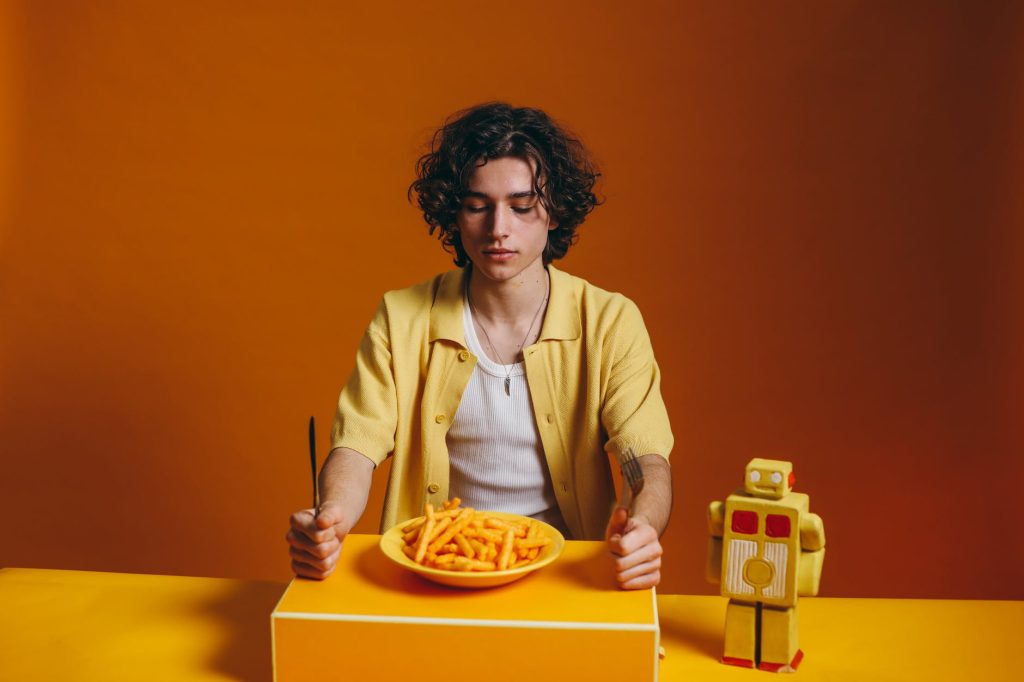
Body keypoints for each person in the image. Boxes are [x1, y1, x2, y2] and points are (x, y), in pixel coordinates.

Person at [286, 102, 673, 589]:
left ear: (553, 212)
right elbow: (356, 445)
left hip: (565, 577)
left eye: (521, 206)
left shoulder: (610, 321)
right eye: (477, 206)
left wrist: (643, 527)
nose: (498, 229)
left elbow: (646, 459)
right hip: (435, 570)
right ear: (455, 211)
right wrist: (331, 522)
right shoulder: (401, 316)